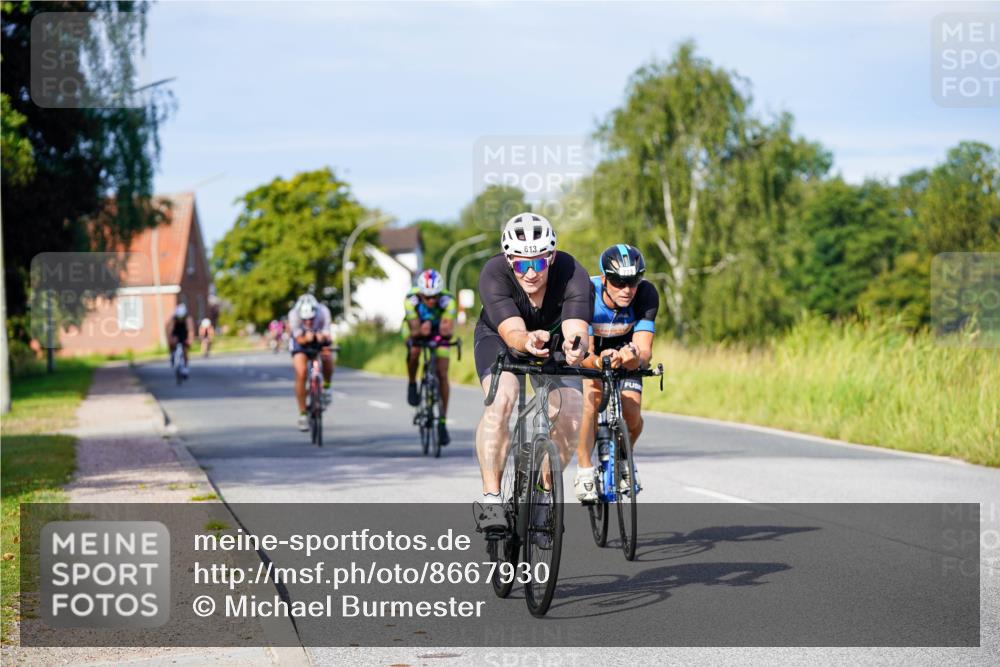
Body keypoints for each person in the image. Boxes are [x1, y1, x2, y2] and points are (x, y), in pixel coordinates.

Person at [472, 213, 591, 533]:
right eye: (521, 263)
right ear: (509, 259)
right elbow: (512, 331)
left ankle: (542, 493)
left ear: (551, 257)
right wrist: (526, 339)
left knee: (572, 413)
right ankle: (491, 499)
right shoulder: (494, 273)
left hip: (553, 342)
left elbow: (577, 327)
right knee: (502, 402)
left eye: (537, 263)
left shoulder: (572, 272)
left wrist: (576, 346)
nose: (529, 272)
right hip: (500, 340)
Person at [574, 244, 658, 503]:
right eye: (619, 282)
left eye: (632, 281)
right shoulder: (586, 293)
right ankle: (584, 469)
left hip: (626, 352)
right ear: (604, 279)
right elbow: (582, 353)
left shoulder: (646, 294)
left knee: (632, 413)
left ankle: (624, 459)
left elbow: (645, 351)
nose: (627, 289)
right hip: (591, 352)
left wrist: (633, 358)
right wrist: (599, 362)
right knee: (592, 398)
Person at [404, 268, 457, 446]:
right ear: (420, 294)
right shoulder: (410, 301)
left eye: (435, 296)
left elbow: (447, 330)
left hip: (437, 332)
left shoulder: (448, 300)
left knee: (442, 373)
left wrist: (445, 331)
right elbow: (414, 330)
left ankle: (442, 423)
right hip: (417, 328)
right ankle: (412, 382)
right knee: (415, 351)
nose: (432, 300)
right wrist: (419, 332)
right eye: (427, 297)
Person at [288, 294, 335, 431]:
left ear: (316, 313)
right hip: (301, 342)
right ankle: (303, 414)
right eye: (305, 319)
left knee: (327, 356)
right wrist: (307, 338)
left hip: (319, 337)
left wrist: (322, 337)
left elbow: (328, 335)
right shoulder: (294, 315)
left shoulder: (323, 312)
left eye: (311, 319)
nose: (308, 322)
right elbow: (299, 340)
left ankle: (326, 387)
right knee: (301, 372)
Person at [166, 304, 195, 376]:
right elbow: (170, 330)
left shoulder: (188, 318)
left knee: (185, 350)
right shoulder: (173, 318)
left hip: (184, 333)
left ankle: (185, 367)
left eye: (182, 317)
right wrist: (170, 339)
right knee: (173, 343)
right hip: (176, 332)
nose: (180, 319)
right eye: (179, 317)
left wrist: (189, 340)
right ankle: (172, 354)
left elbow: (190, 330)